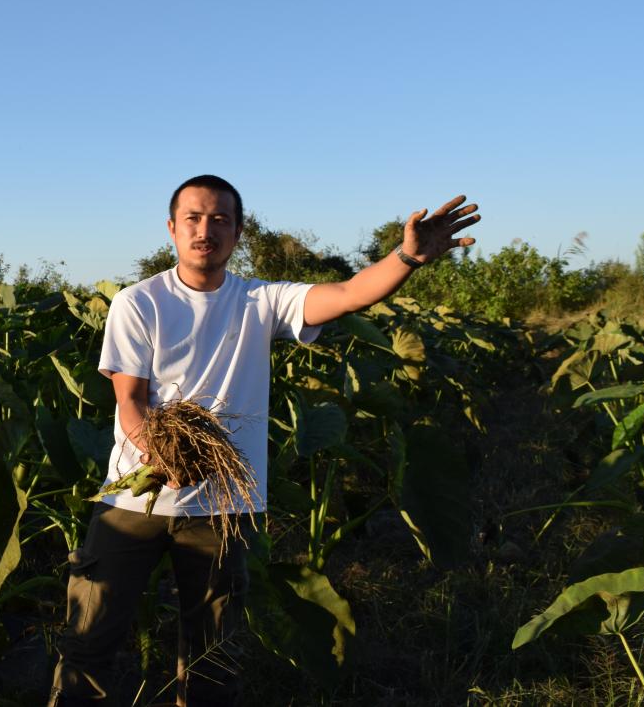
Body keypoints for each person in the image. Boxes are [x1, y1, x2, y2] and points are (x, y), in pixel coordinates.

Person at [48, 175, 479, 706]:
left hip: (224, 504)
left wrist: (406, 259)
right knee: (91, 637)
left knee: (213, 653)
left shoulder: (260, 300)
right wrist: (164, 454)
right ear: (172, 229)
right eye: (194, 218)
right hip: (137, 495)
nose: (206, 229)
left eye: (220, 219)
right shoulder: (140, 303)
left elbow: (345, 295)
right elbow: (130, 400)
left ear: (238, 231)